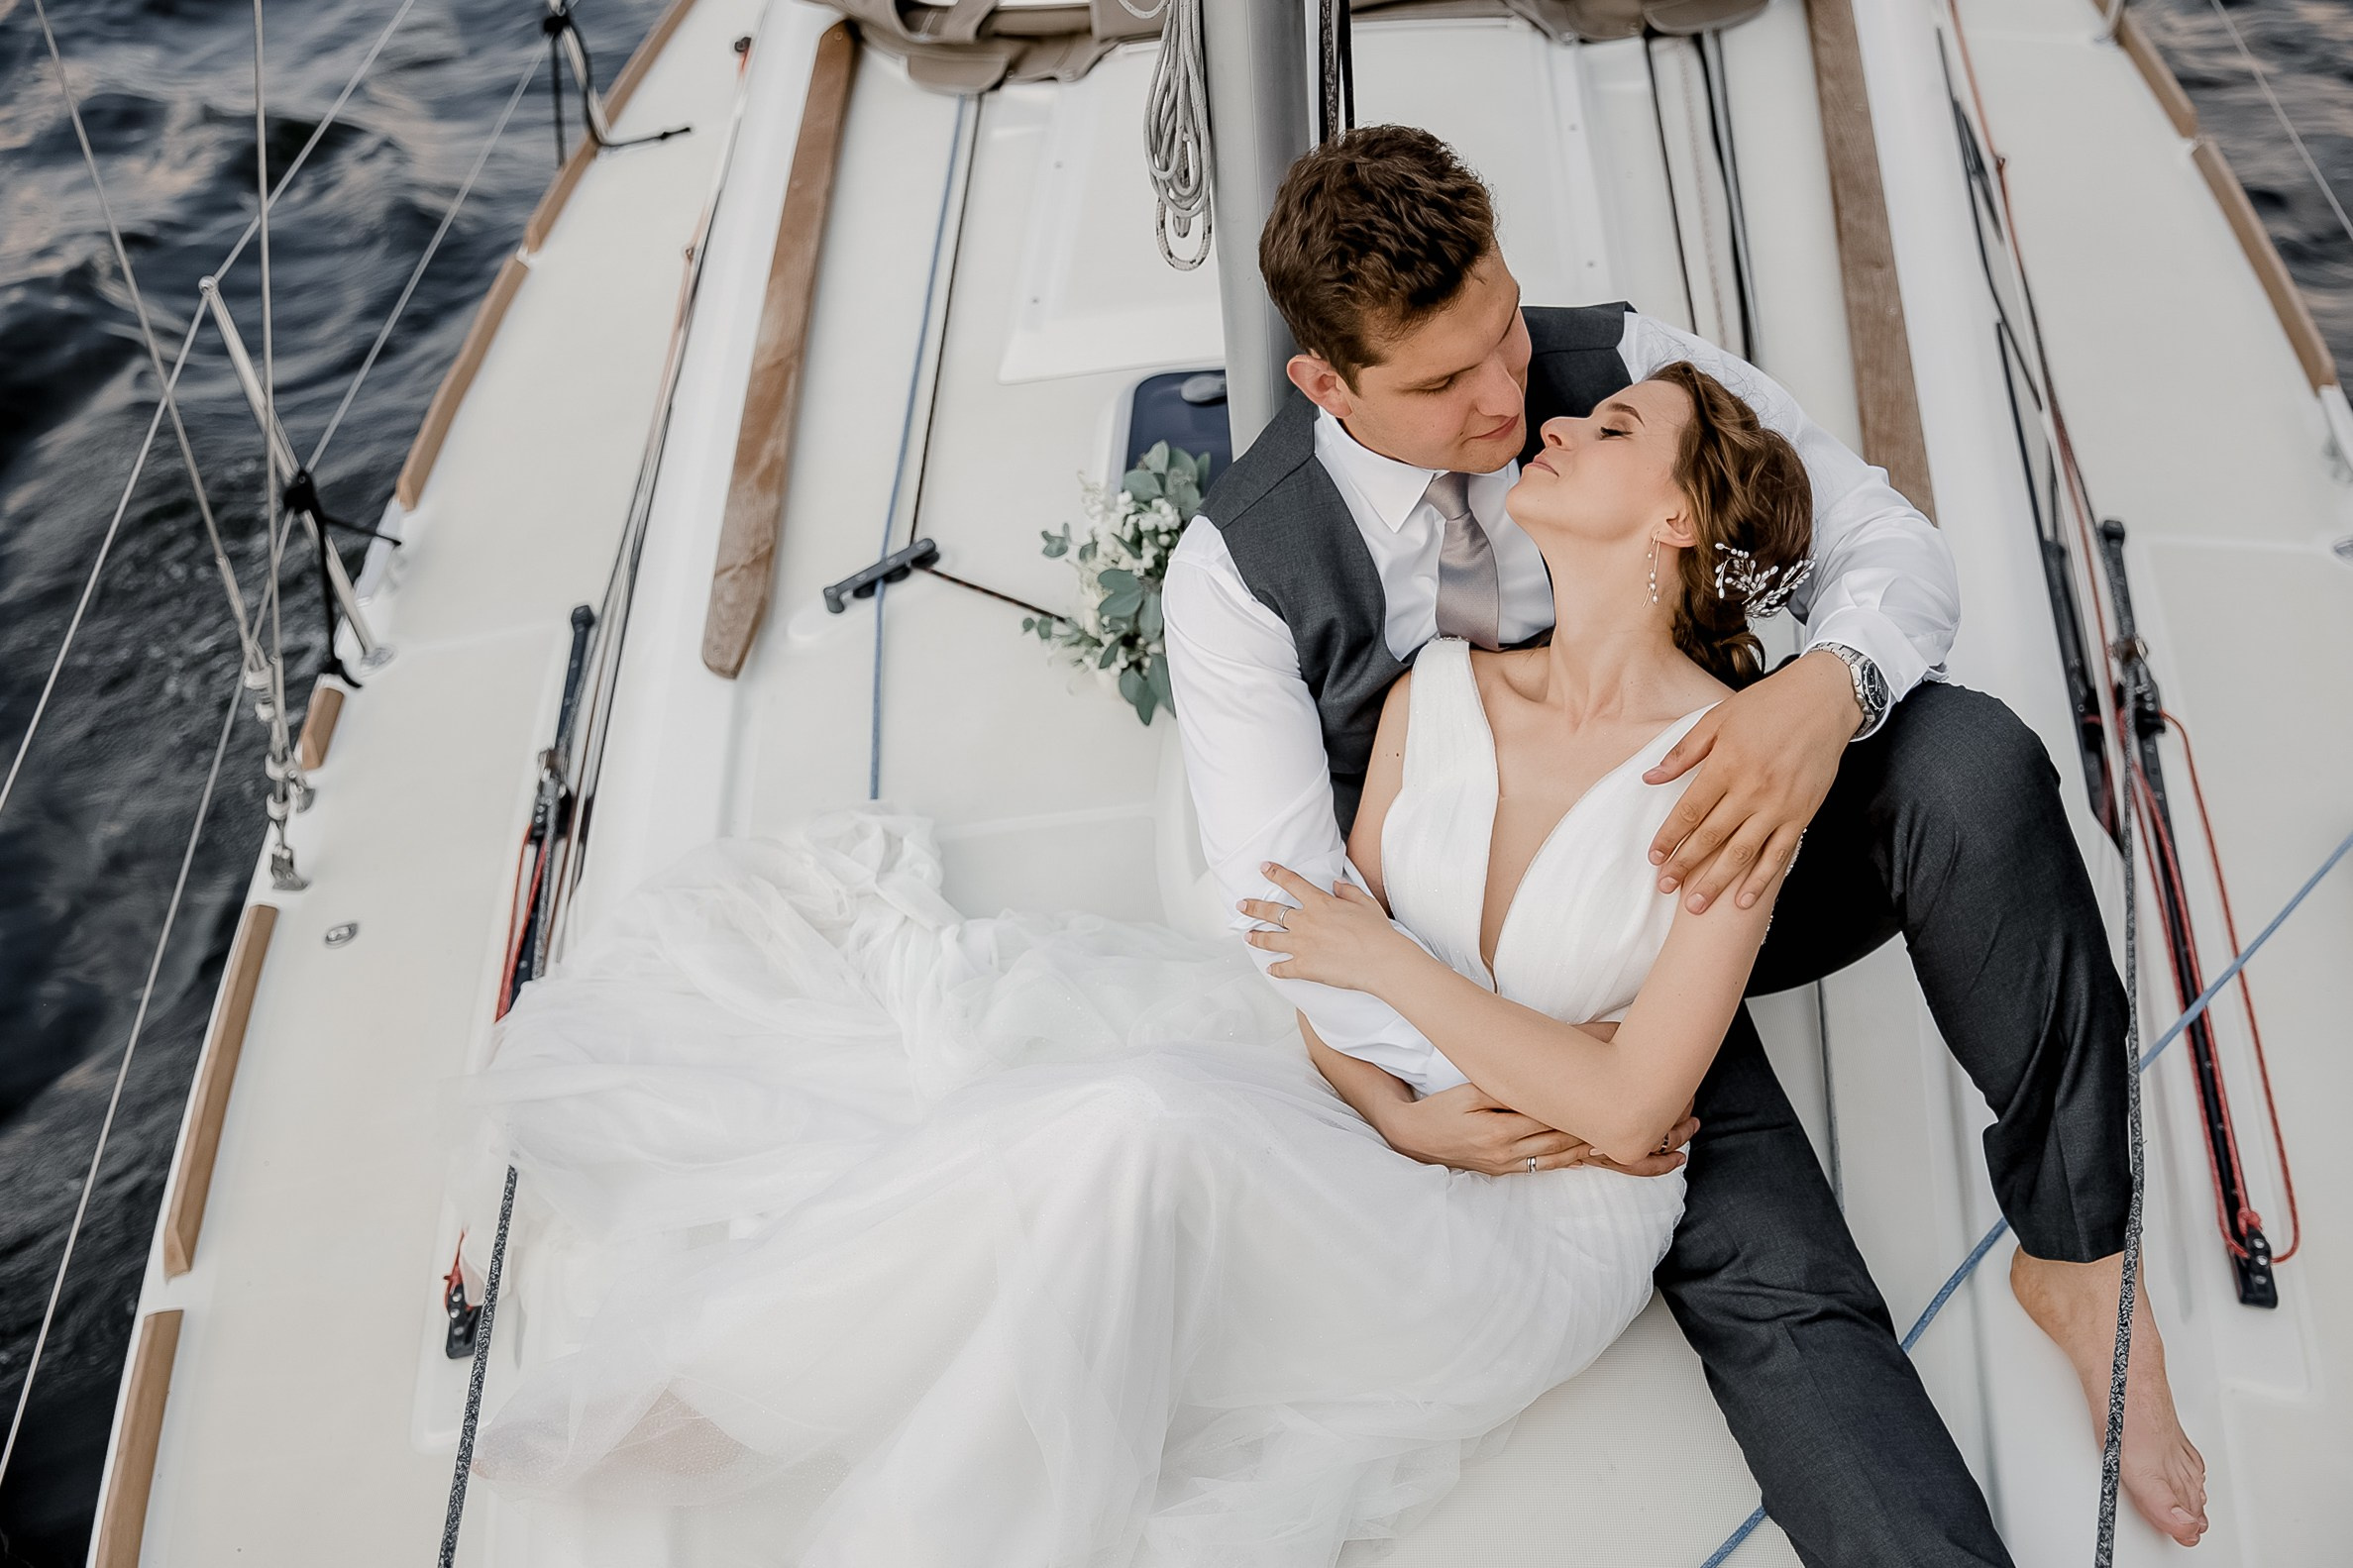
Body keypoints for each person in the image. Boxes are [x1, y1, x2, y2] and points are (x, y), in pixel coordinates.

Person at [467, 364, 1817, 1563]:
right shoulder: (1439, 691)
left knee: (1141, 1124)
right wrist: (1397, 1107)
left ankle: (761, 1401)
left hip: (1533, 1230)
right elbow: (1319, 967)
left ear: (1678, 519)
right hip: (1389, 1121)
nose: (1565, 422)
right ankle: (755, 1382)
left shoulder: (1733, 773)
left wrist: (1401, 978)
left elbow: (1634, 1109)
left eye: (1618, 424)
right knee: (1108, 1129)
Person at [1162, 126, 2206, 1558]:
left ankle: (2082, 1259)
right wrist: (1445, 1094)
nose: (1513, 398)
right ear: (1326, 384)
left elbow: (1882, 544)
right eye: (1447, 382)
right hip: (1500, 969)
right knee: (1781, 1289)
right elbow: (1291, 901)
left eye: (1509, 334)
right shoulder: (1238, 573)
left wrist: (1820, 695)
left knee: (1969, 763)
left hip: (1711, 845)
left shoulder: (1630, 371)